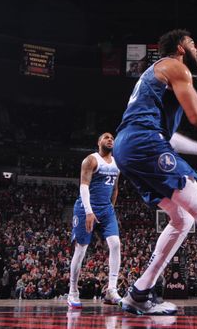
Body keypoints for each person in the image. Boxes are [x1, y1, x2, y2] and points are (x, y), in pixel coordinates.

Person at [113, 29, 197, 316]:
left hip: (128, 147)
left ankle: (139, 292)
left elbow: (167, 137)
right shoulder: (175, 66)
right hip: (143, 141)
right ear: (179, 48)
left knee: (181, 218)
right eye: (192, 44)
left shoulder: (154, 77)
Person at [68, 132, 122, 308]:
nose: (110, 139)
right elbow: (84, 186)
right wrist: (89, 211)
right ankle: (73, 291)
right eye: (106, 137)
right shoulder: (90, 160)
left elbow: (115, 189)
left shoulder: (117, 163)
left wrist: (110, 208)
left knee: (115, 244)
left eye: (112, 138)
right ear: (99, 142)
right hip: (86, 208)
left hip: (106, 209)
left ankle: (111, 290)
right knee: (81, 250)